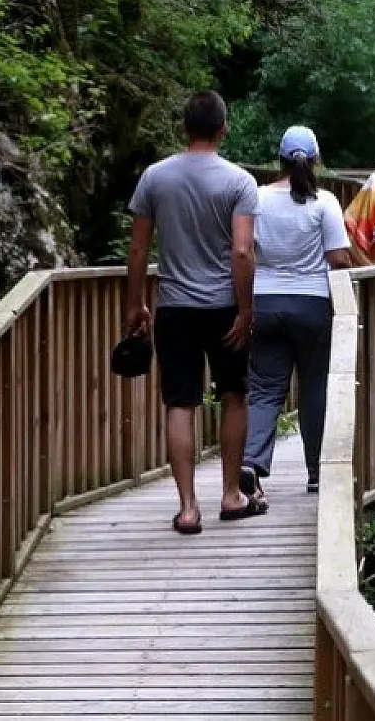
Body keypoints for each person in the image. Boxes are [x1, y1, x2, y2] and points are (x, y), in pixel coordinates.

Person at [124, 91, 261, 535]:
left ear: (184, 128)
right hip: (224, 306)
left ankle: (187, 508)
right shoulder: (239, 182)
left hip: (175, 308)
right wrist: (245, 308)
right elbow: (242, 251)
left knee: (179, 403)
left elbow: (139, 246)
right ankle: (230, 495)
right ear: (224, 129)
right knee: (234, 394)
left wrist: (136, 303)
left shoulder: (154, 178)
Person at [242, 126, 352, 502]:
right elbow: (338, 257)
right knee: (314, 387)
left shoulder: (256, 198)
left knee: (264, 389)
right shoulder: (325, 202)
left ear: (280, 159)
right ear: (316, 160)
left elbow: (244, 250)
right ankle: (317, 472)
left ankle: (251, 462)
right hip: (313, 304)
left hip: (265, 303)